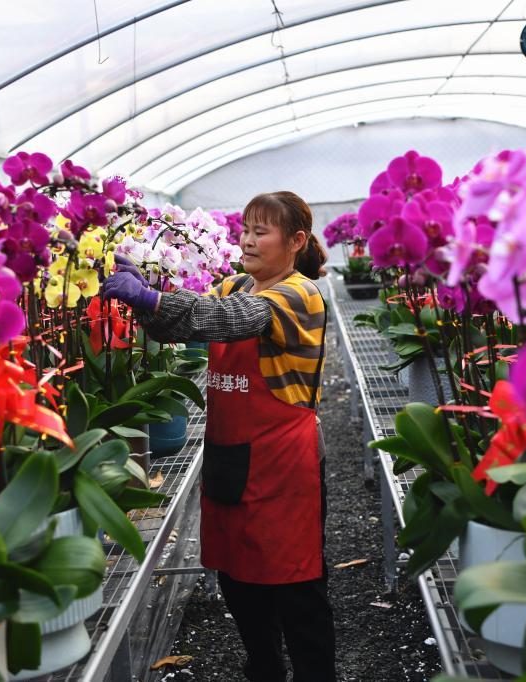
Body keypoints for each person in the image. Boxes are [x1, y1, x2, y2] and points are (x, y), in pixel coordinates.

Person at [103, 191, 336, 682]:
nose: (247, 240)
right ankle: (264, 669)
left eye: (261, 231)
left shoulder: (299, 294)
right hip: (231, 456)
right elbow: (183, 324)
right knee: (238, 578)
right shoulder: (236, 283)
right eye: (246, 229)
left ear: (295, 242)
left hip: (283, 465)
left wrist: (153, 298)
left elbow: (228, 321)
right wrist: (148, 301)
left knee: (296, 587)